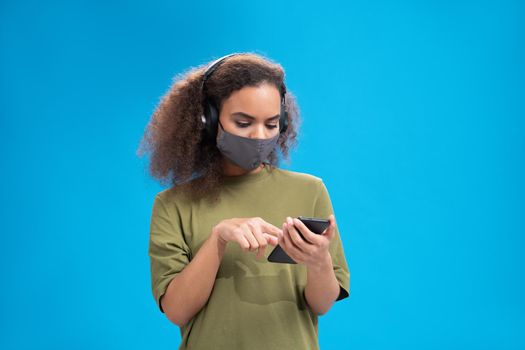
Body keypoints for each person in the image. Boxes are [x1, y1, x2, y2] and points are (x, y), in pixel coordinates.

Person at [137, 52, 350, 350]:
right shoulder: (173, 205)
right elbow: (177, 310)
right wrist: (218, 239)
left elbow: (322, 304)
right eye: (243, 122)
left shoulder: (310, 191)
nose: (259, 136)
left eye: (271, 124)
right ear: (208, 120)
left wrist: (318, 261)